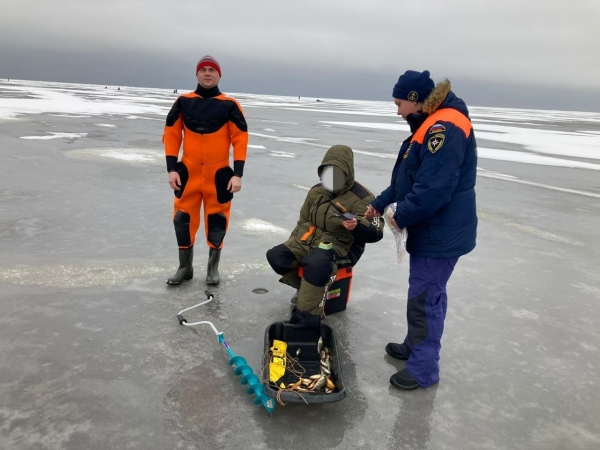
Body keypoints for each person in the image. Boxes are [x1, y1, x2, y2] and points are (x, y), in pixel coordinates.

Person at [365, 70, 477, 391]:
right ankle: (415, 346)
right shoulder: (426, 126)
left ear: (415, 100)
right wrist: (380, 203)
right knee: (422, 293)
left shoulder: (445, 126)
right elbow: (407, 179)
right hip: (432, 228)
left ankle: (423, 368)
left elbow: (432, 189)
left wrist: (401, 216)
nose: (397, 110)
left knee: (425, 299)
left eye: (399, 103)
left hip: (441, 231)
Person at [267, 145, 384, 322]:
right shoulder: (316, 191)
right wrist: (292, 242)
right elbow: (303, 220)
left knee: (316, 264)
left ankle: (308, 316)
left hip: (341, 247)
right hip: (308, 240)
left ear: (347, 173)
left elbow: (377, 231)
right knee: (277, 256)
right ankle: (309, 291)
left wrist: (357, 226)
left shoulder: (364, 198)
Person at [163, 55, 248, 286]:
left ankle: (212, 269)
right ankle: (184, 267)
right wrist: (172, 169)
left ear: (219, 75)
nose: (207, 73)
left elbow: (240, 139)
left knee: (217, 220)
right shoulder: (183, 101)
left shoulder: (230, 105)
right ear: (197, 74)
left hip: (218, 174)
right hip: (187, 173)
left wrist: (237, 174)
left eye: (212, 70)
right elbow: (171, 135)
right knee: (182, 219)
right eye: (203, 70)